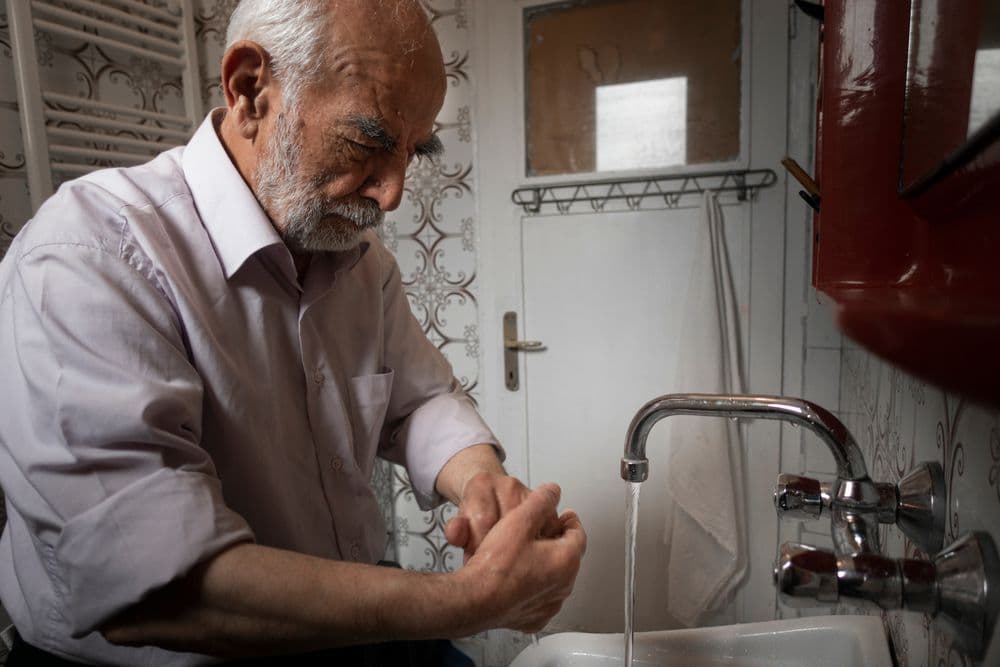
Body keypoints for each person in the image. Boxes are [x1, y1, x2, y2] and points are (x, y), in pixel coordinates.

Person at [0, 0, 586, 664]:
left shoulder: (363, 266)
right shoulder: (87, 256)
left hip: (348, 632)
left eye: (412, 152)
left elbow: (421, 400)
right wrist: (471, 600)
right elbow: (157, 587)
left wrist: (481, 481)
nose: (392, 194)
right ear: (250, 89)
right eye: (366, 141)